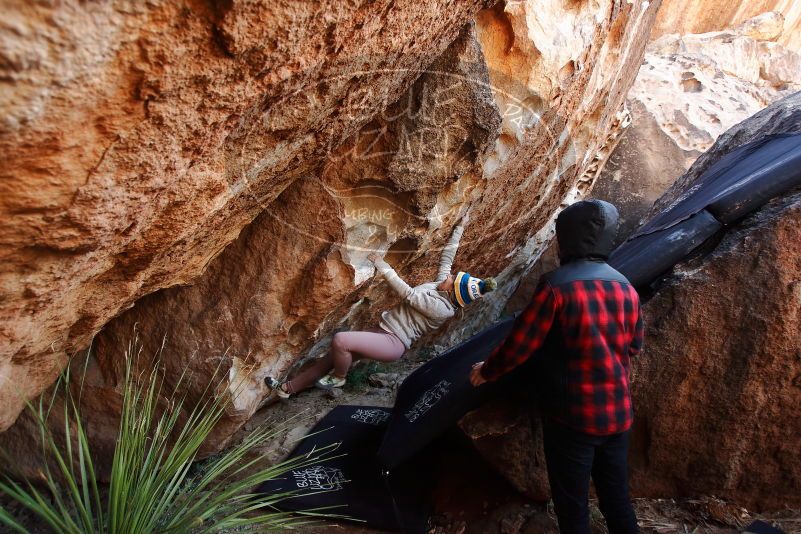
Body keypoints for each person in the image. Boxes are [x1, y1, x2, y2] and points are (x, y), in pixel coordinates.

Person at [470, 199, 642, 534]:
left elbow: (521, 344)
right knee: (617, 499)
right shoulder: (626, 286)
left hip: (573, 417)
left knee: (572, 505)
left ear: (567, 236)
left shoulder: (557, 285)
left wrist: (486, 371)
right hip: (619, 415)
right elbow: (634, 346)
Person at [266, 209, 496, 399]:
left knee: (341, 341)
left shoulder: (442, 309)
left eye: (453, 279)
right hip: (382, 331)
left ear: (453, 292)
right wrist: (460, 227)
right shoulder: (441, 286)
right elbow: (448, 257)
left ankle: (339, 378)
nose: (450, 275)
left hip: (392, 342)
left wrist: (382, 265)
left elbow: (408, 295)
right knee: (331, 357)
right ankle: (288, 389)